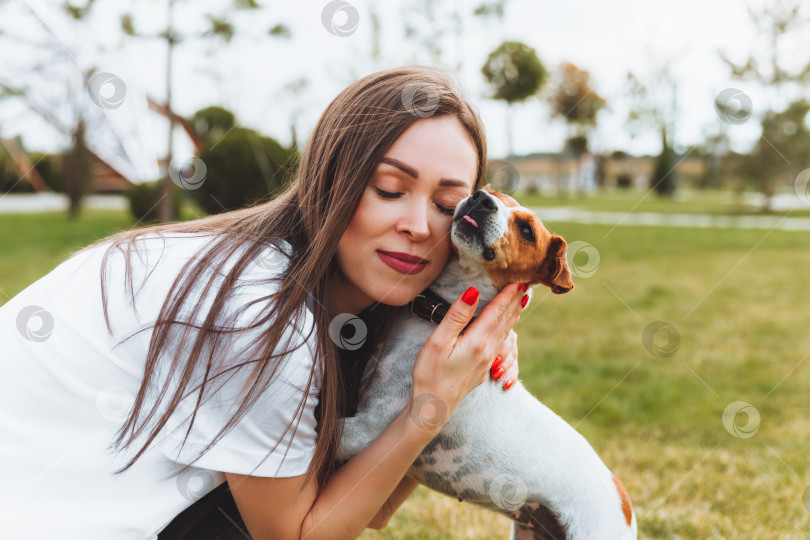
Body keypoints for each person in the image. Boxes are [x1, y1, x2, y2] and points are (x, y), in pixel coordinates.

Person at [0, 65, 527, 539]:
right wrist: (431, 404)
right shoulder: (259, 311)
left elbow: (371, 506)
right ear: (328, 181)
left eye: (445, 205)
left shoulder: (329, 301)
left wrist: (454, 379)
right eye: (388, 189)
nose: (417, 227)